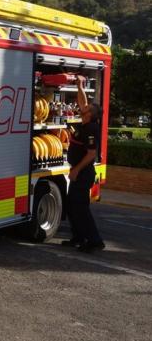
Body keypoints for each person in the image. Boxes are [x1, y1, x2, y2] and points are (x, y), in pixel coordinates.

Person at [62, 75, 105, 252]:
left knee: (80, 208)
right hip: (78, 172)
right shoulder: (86, 122)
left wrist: (76, 170)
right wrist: (79, 85)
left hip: (83, 173)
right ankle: (78, 238)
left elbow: (91, 154)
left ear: (90, 115)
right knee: (72, 205)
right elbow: (82, 101)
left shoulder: (91, 129)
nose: (82, 108)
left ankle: (95, 241)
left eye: (86, 109)